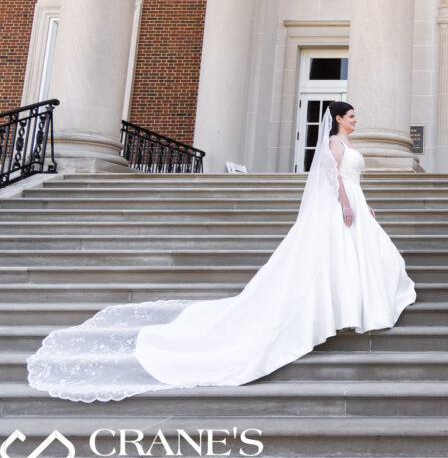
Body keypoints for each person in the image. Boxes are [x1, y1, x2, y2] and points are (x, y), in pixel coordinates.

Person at [26, 101, 416, 402]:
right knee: (334, 263)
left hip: (355, 206)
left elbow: (351, 178)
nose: (355, 120)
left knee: (371, 258)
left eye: (354, 117)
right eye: (351, 116)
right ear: (339, 119)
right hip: (339, 208)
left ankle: (357, 305)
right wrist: (348, 205)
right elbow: (334, 179)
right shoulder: (333, 143)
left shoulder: (347, 144)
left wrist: (363, 205)